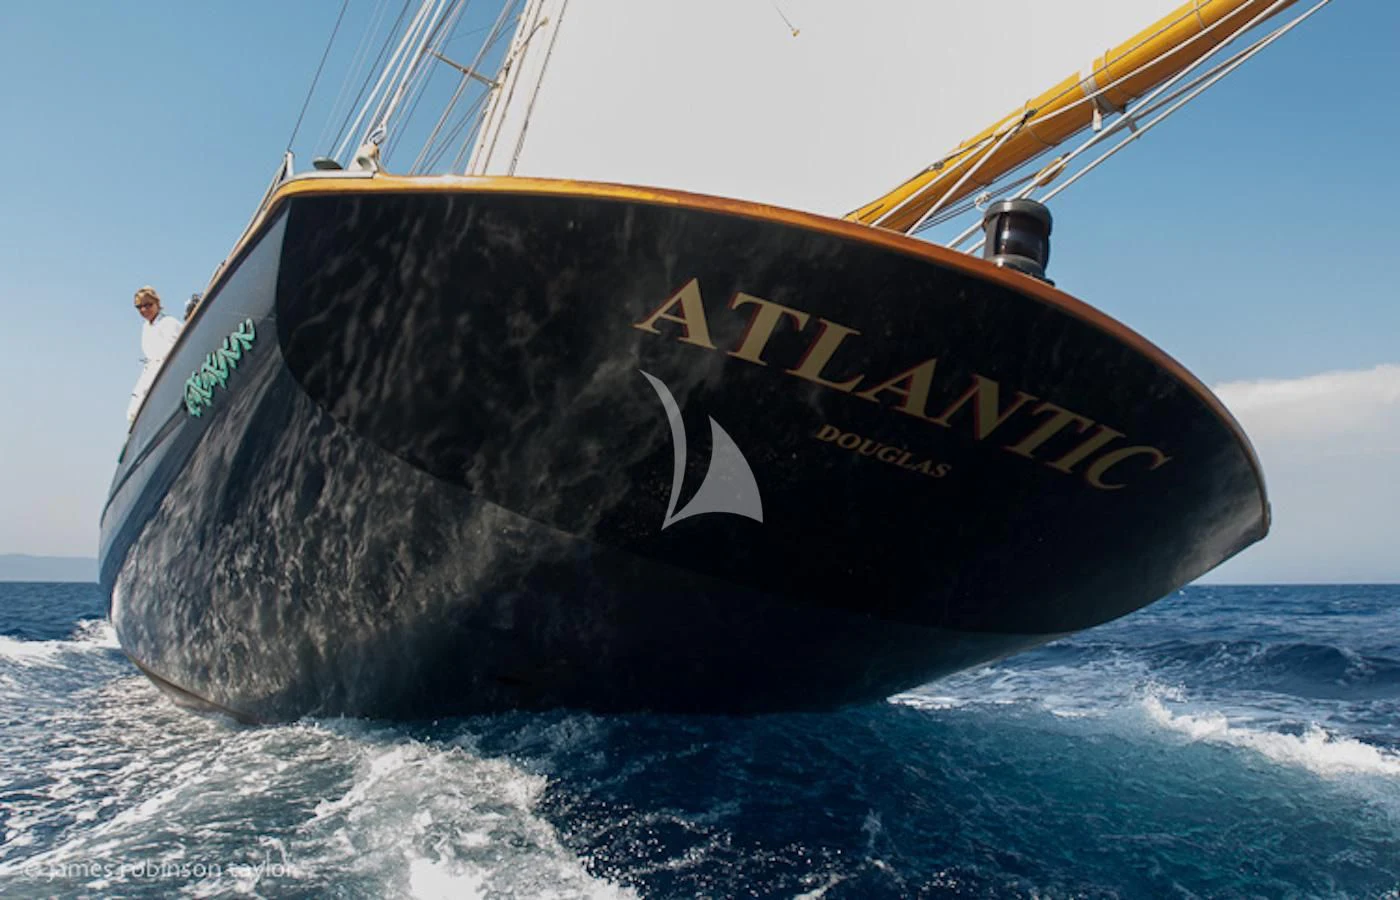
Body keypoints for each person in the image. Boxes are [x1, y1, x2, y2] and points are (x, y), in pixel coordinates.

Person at [126, 286, 185, 425]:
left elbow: (176, 351)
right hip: (150, 371)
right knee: (132, 413)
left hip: (166, 371)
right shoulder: (145, 327)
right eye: (139, 307)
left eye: (148, 305)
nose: (144, 310)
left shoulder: (169, 323)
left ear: (157, 303)